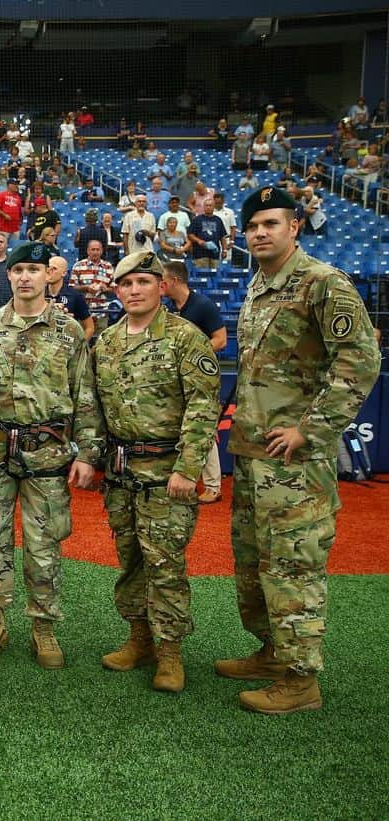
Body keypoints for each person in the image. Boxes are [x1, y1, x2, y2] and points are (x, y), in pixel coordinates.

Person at [216, 188, 379, 714]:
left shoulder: (324, 284)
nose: (260, 232)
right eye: (253, 225)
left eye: (271, 223)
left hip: (295, 465)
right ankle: (271, 652)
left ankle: (300, 679)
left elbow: (360, 361)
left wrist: (311, 430)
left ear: (295, 227)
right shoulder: (260, 284)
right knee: (254, 564)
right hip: (254, 457)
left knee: (293, 566)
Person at [0, 241, 101, 666]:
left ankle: (43, 628)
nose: (25, 277)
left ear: (47, 276)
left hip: (48, 457)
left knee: (44, 544)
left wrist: (88, 454)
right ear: (10, 276)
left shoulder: (68, 332)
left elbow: (84, 396)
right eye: (18, 271)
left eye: (34, 269)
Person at [93, 251, 220, 693]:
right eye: (125, 284)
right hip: (122, 474)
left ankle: (170, 653)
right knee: (130, 561)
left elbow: (204, 407)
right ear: (117, 290)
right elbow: (94, 409)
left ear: (160, 287)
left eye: (143, 283)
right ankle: (139, 639)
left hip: (168, 474)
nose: (133, 291)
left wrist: (189, 468)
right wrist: (92, 459)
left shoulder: (186, 339)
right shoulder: (106, 343)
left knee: (164, 564)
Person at [160, 261, 226, 502]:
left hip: (199, 379)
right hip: (174, 379)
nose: (161, 284)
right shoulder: (168, 307)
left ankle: (213, 486)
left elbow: (221, 339)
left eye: (164, 280)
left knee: (201, 428)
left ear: (175, 281)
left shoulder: (202, 305)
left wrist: (193, 359)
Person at [45, 255, 94, 339]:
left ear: (64, 273)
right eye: (48, 268)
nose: (49, 271)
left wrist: (79, 347)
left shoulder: (75, 296)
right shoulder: (38, 294)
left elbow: (90, 327)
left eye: (54, 269)